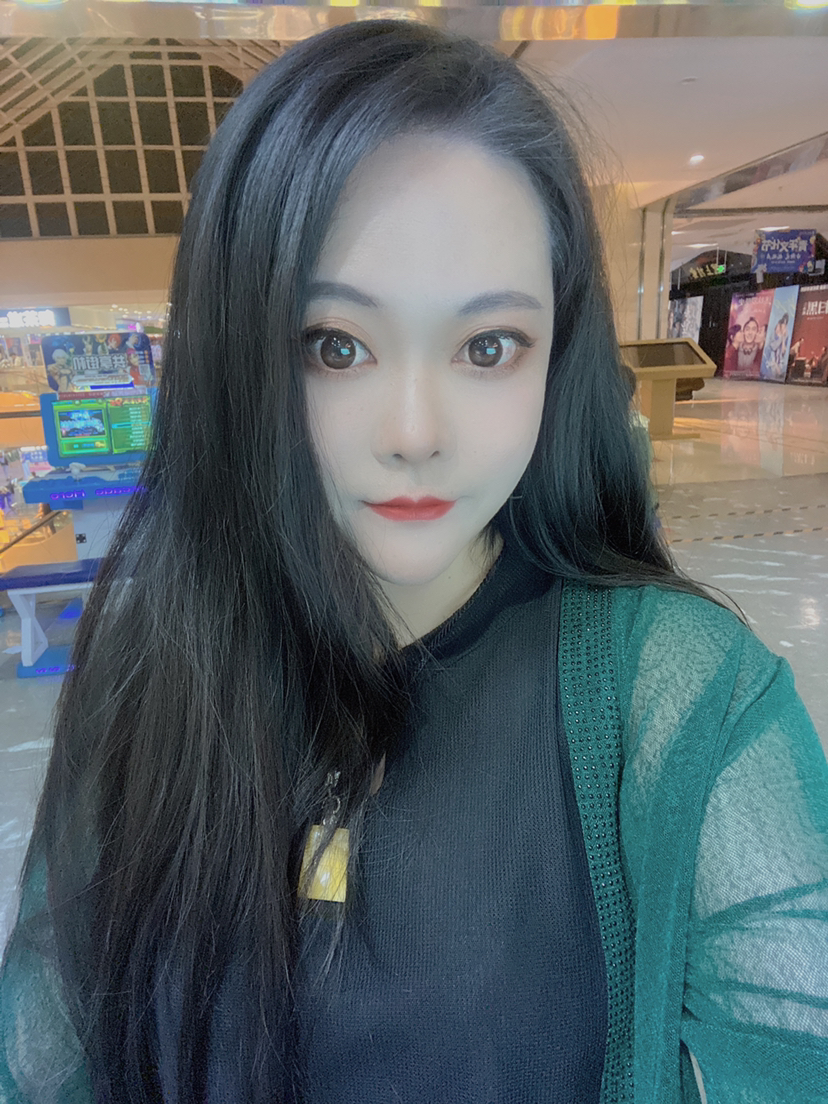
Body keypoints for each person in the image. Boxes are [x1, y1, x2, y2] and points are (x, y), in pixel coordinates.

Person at [1, 21, 826, 1104]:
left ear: (557, 356)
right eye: (335, 345)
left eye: (488, 348)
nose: (414, 432)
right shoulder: (152, 669)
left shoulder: (679, 702)